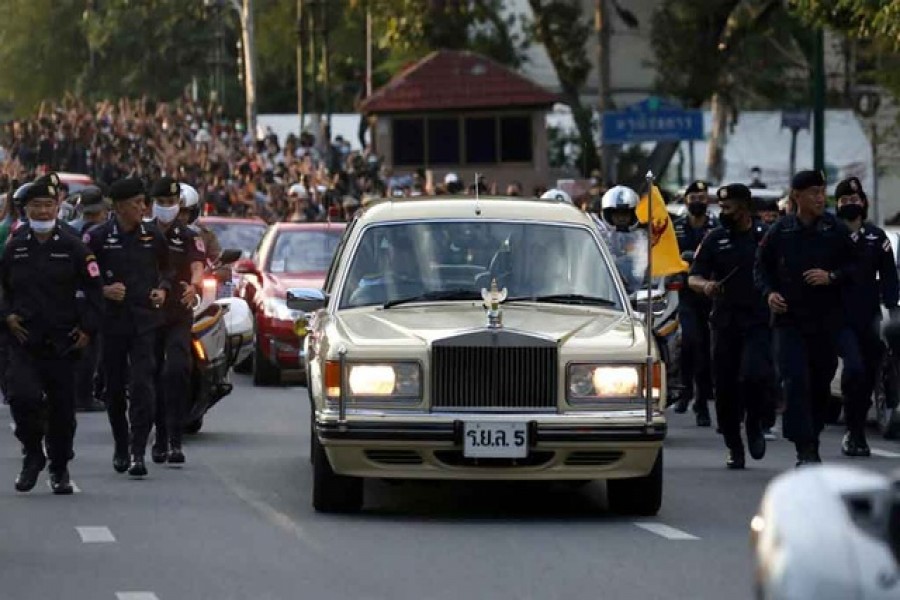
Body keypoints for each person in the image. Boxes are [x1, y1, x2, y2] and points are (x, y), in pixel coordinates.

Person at [0, 174, 103, 493]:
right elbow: (2, 289)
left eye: (48, 205)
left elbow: (94, 289)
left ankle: (59, 468)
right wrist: (7, 317)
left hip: (64, 342)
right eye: (36, 206)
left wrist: (87, 328)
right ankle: (32, 454)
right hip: (24, 340)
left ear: (57, 207)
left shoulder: (74, 246)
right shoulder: (14, 247)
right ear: (26, 210)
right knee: (21, 397)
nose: (43, 212)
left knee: (62, 413)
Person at [754, 170, 857, 466]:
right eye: (813, 192)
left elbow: (856, 267)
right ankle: (805, 448)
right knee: (795, 381)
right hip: (789, 323)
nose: (819, 198)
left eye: (822, 192)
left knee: (820, 382)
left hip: (825, 322)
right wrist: (769, 294)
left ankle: (813, 433)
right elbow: (761, 269)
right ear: (797, 197)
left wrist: (832, 276)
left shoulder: (835, 229)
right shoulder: (781, 231)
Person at [84, 177, 172, 478]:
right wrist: (104, 289)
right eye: (136, 203)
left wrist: (163, 289)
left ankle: (137, 451)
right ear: (120, 207)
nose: (142, 208)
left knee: (142, 384)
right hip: (112, 322)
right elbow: (83, 276)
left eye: (143, 202)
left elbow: (167, 270)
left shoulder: (153, 236)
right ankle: (121, 443)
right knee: (114, 387)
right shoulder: (97, 237)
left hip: (146, 320)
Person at [689, 184, 772, 468]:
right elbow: (693, 276)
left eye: (728, 207)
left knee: (755, 375)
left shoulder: (766, 237)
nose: (722, 212)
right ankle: (733, 445)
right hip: (724, 322)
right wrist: (706, 286)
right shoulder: (715, 238)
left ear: (745, 208)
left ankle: (754, 423)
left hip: (758, 320)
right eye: (721, 207)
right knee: (724, 388)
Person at [833, 176, 899, 457]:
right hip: (839, 316)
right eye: (845, 200)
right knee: (854, 369)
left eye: (855, 200)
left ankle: (858, 431)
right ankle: (851, 429)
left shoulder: (876, 237)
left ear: (864, 203)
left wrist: (892, 306)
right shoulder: (830, 235)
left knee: (869, 374)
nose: (851, 204)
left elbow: (888, 276)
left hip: (869, 316)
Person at [148, 178, 205, 465]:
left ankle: (174, 438)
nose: (167, 208)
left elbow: (197, 267)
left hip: (178, 313)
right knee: (152, 373)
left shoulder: (189, 236)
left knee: (177, 370)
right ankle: (158, 438)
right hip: (148, 314)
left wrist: (195, 286)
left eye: (172, 203)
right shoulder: (142, 234)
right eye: (162, 202)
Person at [673, 180, 716, 426]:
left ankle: (701, 401)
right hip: (684, 296)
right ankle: (685, 388)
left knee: (706, 349)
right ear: (686, 199)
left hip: (709, 296)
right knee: (691, 341)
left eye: (702, 197)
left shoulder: (715, 227)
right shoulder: (676, 228)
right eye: (693, 197)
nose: (698, 201)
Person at [69, 186, 112, 412]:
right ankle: (83, 397)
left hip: (68, 295)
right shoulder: (99, 232)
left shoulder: (67, 229)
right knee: (91, 345)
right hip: (91, 294)